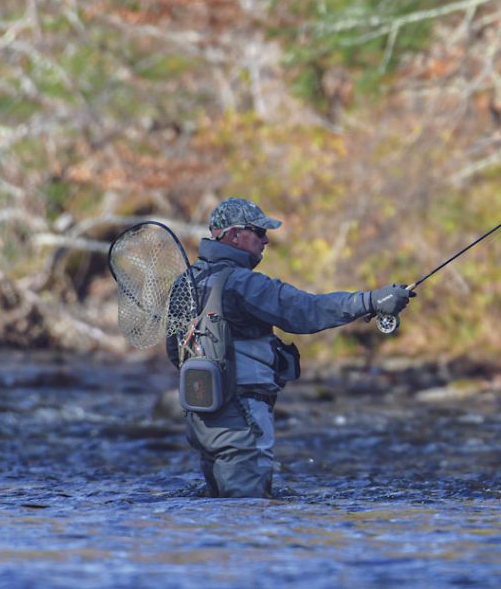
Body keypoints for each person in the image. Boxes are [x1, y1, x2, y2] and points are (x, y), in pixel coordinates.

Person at [165, 196, 413, 498]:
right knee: (247, 511)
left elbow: (174, 350)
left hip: (201, 416)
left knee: (218, 511)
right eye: (259, 232)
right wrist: (371, 301)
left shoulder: (186, 283)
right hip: (241, 417)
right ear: (235, 235)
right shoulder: (243, 283)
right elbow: (306, 311)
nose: (266, 240)